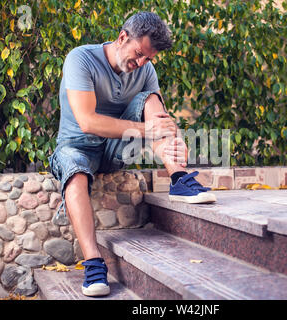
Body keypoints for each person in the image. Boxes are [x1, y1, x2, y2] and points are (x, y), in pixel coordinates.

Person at [48, 11, 216, 297]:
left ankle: (179, 178)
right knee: (75, 173)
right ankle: (93, 264)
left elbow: (158, 119)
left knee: (150, 98)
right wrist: (148, 130)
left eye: (148, 59)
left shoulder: (145, 71)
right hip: (77, 147)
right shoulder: (81, 58)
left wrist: (174, 140)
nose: (141, 64)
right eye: (139, 54)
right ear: (122, 37)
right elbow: (88, 121)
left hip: (115, 150)